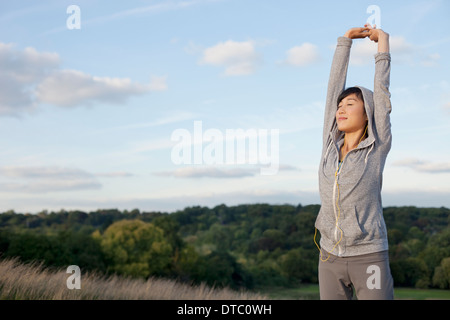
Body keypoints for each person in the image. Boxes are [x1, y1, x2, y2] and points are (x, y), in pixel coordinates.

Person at [314, 24, 394, 300]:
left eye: (350, 104)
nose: (340, 109)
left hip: (368, 256)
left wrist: (382, 43)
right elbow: (332, 90)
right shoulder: (329, 146)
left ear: (368, 113)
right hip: (329, 256)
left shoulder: (377, 146)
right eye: (340, 105)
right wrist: (345, 42)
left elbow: (381, 93)